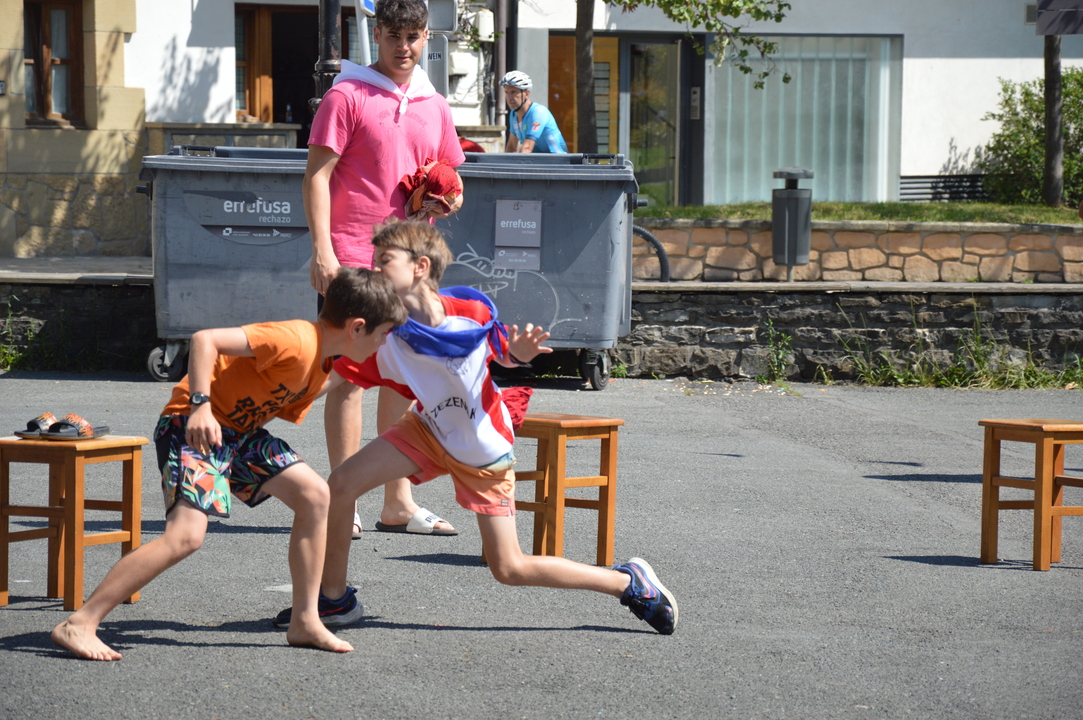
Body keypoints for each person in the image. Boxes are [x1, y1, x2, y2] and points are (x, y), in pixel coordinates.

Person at [274, 222, 678, 636]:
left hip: (482, 450)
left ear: (420, 267)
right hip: (427, 430)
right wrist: (266, 401)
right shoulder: (387, 333)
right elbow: (337, 373)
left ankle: (627, 582)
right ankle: (334, 598)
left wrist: (517, 353)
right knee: (341, 484)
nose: (375, 270)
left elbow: (500, 350)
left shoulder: (468, 313)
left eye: (385, 261)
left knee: (509, 568)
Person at [49, 268, 408, 661]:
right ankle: (80, 622)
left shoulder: (321, 362)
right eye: (383, 334)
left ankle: (305, 621)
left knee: (315, 494)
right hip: (192, 427)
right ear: (357, 328)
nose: (383, 342)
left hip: (237, 435)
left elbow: (310, 387)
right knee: (185, 537)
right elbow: (206, 340)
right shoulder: (295, 338)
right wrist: (199, 405)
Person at [305, 0, 466, 538]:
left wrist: (446, 198)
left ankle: (397, 502)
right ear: (376, 34)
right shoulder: (346, 95)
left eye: (413, 36)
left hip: (411, 263)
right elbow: (316, 177)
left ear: (427, 37)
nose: (404, 46)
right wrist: (323, 252)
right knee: (349, 381)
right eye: (394, 35)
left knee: (404, 377)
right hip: (353, 257)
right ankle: (344, 497)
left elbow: (452, 180)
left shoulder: (434, 104)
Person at [500, 71, 569, 154]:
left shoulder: (538, 112)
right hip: (538, 159)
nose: (509, 98)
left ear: (526, 94)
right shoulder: (514, 114)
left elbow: (527, 148)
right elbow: (511, 147)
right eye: (506, 92)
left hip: (557, 159)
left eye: (513, 92)